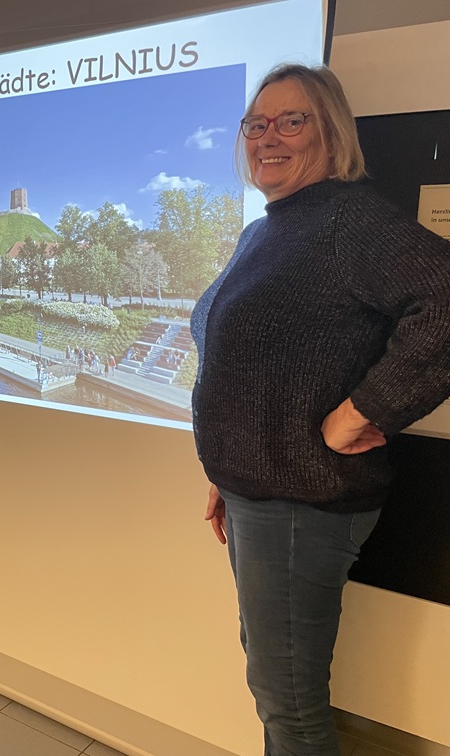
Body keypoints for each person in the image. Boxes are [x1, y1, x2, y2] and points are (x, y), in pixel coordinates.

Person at [190, 63, 450, 755]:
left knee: (290, 704)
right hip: (258, 493)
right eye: (256, 124)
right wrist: (227, 469)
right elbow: (254, 366)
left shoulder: (347, 220)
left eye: (291, 120)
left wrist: (367, 410)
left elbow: (446, 300)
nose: (267, 137)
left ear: (331, 133)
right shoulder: (265, 231)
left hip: (301, 504)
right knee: (274, 684)